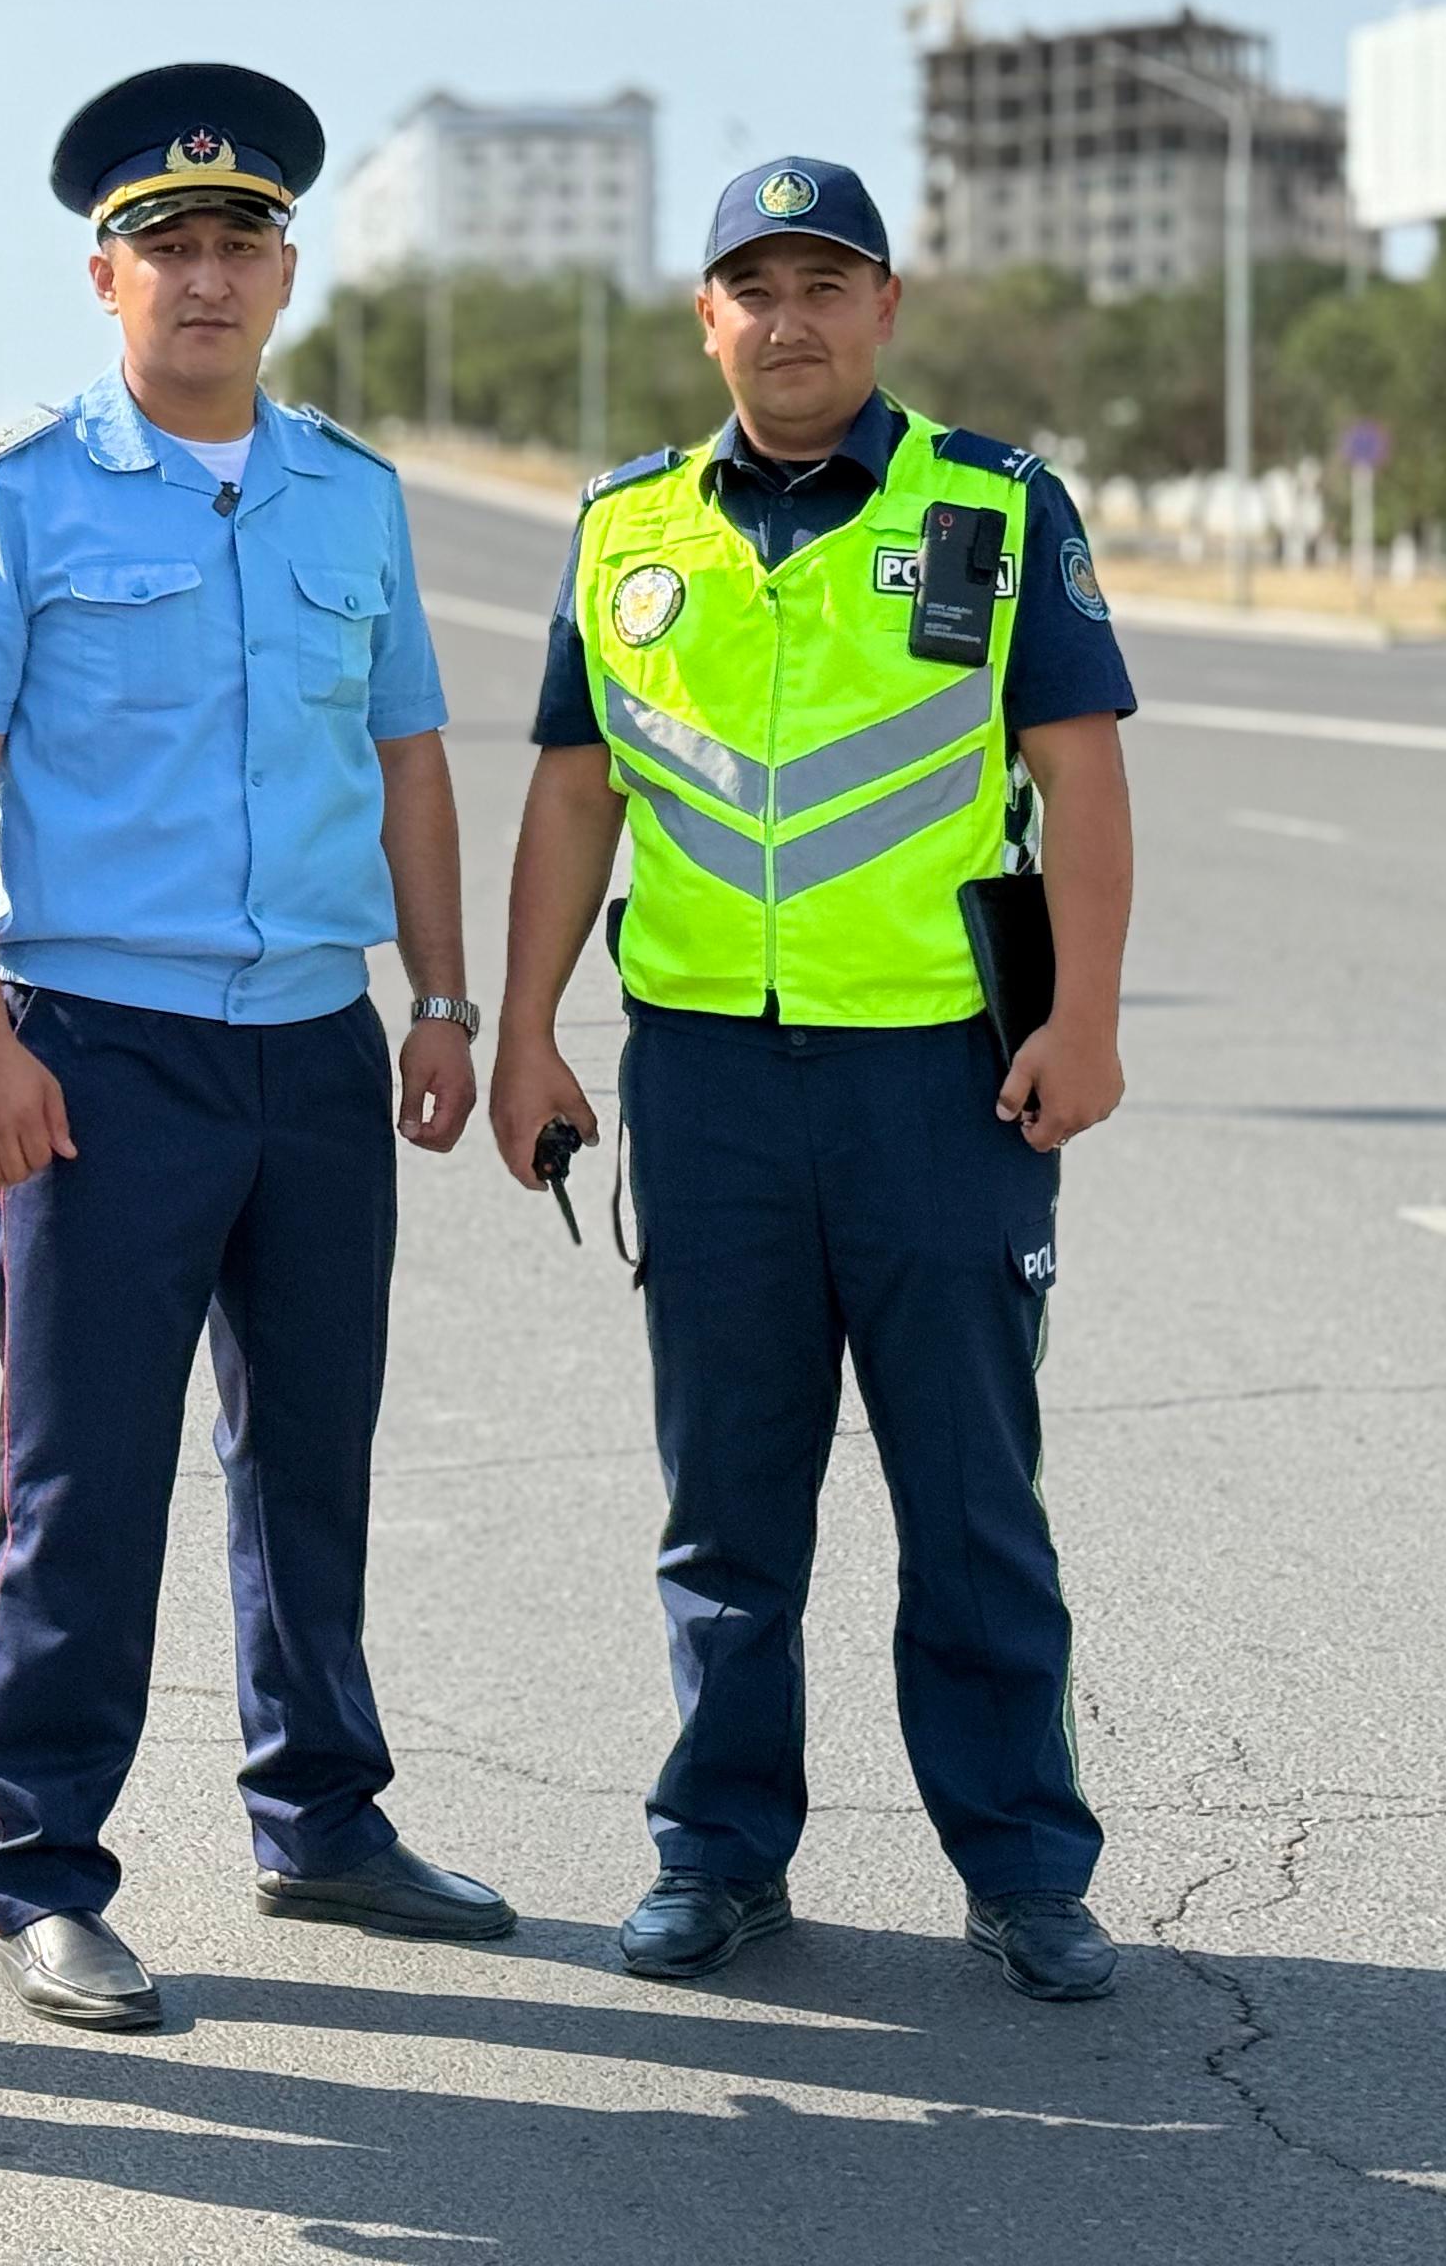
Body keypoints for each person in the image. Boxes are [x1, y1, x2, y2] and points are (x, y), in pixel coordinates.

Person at [0, 62, 511, 2033]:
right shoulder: (9, 496)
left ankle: (323, 1818)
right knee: (88, 1476)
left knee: (310, 1453)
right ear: (105, 275)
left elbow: (407, 759)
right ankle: (43, 1868)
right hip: (98, 1054)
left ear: (288, 268)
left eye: (239, 241)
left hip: (315, 1050)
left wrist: (437, 998)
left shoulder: (352, 492)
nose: (207, 275)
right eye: (169, 244)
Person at [484, 155, 1138, 2003]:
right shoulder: (626, 531)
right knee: (728, 1507)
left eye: (825, 284)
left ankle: (1023, 1869)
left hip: (942, 1082)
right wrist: (531, 1026)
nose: (789, 320)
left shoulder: (994, 508)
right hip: (709, 1086)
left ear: (884, 309)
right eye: (752, 288)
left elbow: (1079, 775)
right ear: (707, 319)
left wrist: (1082, 1016)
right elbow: (573, 788)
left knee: (972, 1497)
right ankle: (719, 1854)